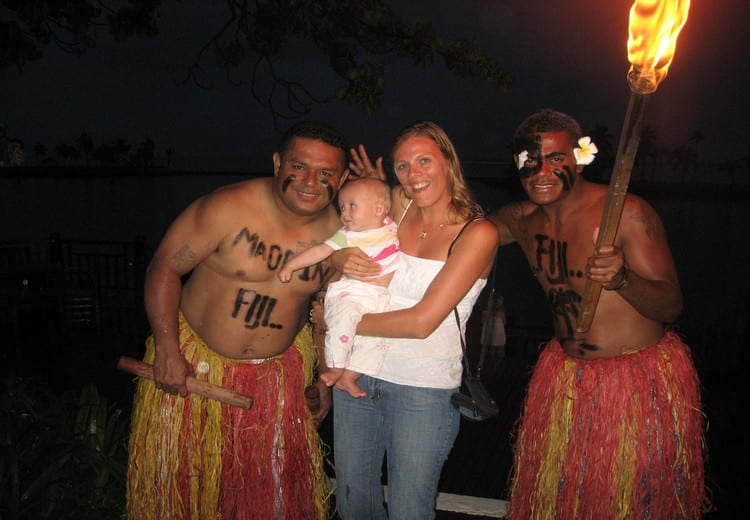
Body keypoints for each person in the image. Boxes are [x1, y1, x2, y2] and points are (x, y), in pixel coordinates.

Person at [126, 120, 350, 520]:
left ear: (343, 177)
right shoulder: (225, 208)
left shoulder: (341, 236)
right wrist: (166, 348)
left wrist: (324, 377)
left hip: (276, 381)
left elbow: (327, 309)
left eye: (326, 173)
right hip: (195, 369)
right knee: (182, 491)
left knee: (267, 497)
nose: (310, 182)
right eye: (299, 167)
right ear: (278, 162)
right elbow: (164, 269)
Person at [490, 108, 706, 519]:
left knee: (634, 504)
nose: (543, 170)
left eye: (557, 159)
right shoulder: (519, 220)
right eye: (529, 160)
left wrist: (622, 279)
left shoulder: (626, 212)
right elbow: (456, 236)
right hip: (566, 381)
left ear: (580, 159)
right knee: (562, 503)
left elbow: (671, 305)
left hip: (637, 388)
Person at [319, 121, 499, 519]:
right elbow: (346, 239)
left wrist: (339, 324)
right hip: (360, 373)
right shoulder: (397, 208)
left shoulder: (478, 233)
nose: (413, 175)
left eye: (423, 161)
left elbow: (422, 322)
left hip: (423, 389)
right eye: (402, 166)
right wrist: (335, 256)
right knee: (353, 503)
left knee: (408, 510)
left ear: (448, 161)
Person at [278, 177, 399, 398]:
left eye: (352, 206)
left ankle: (350, 375)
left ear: (379, 209)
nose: (345, 213)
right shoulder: (346, 235)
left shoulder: (392, 226)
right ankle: (335, 366)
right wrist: (291, 265)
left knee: (376, 341)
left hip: (380, 298)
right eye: (342, 206)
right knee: (343, 324)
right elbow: (319, 251)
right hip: (351, 294)